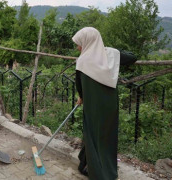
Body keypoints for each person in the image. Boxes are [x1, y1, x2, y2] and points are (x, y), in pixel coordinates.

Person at [72, 27, 120, 180]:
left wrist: (81, 97)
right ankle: (88, 164)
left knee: (92, 137)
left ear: (88, 42)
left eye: (80, 44)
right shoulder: (110, 56)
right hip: (110, 106)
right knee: (106, 137)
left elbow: (79, 86)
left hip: (93, 108)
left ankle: (99, 174)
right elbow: (132, 57)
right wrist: (108, 50)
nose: (78, 47)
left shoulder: (82, 62)